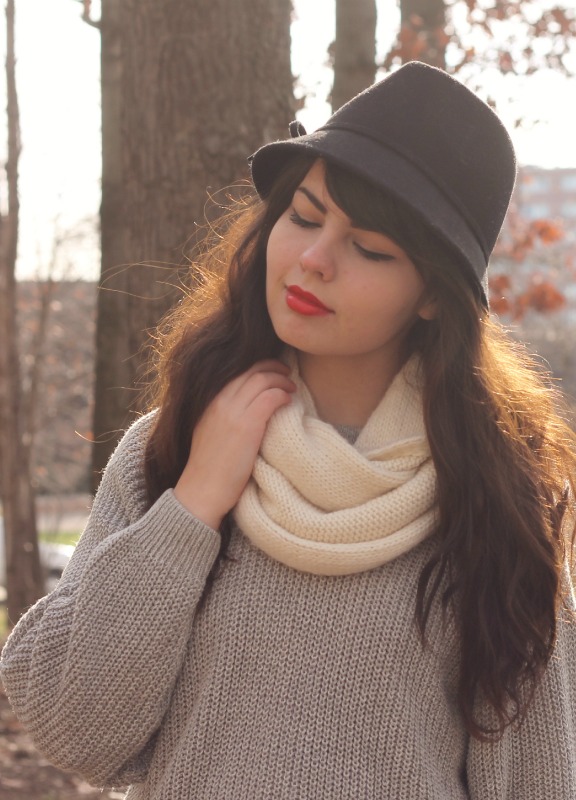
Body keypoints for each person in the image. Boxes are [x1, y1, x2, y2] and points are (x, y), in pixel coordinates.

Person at [1, 61, 575, 799]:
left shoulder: (498, 506)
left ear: (434, 295)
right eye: (304, 217)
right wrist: (192, 506)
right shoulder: (171, 446)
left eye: (370, 248)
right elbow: (75, 731)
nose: (313, 259)